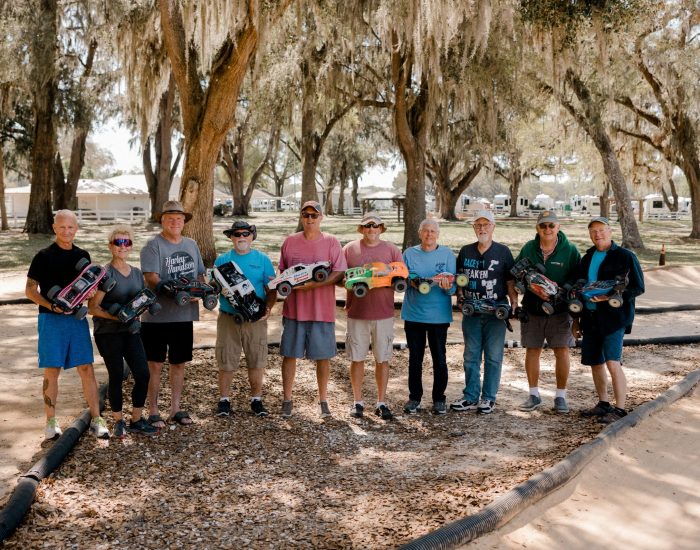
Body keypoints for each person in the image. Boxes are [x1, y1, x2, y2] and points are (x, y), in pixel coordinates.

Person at [25, 209, 109, 440]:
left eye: (70, 227)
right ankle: (51, 423)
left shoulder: (83, 255)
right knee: (52, 370)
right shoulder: (43, 256)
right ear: (54, 228)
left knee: (86, 368)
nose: (66, 231)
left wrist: (92, 293)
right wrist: (51, 306)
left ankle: (96, 419)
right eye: (62, 227)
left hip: (76, 320)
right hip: (50, 320)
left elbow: (89, 289)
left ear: (76, 229)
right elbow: (30, 290)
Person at [278, 201, 347, 418]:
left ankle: (323, 400)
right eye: (306, 215)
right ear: (301, 217)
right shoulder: (289, 242)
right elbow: (282, 272)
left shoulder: (331, 242)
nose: (310, 219)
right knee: (289, 355)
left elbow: (339, 272)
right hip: (294, 311)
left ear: (321, 217)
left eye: (314, 215)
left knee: (323, 356)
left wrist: (315, 285)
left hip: (322, 311)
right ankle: (287, 399)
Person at [140, 200, 205, 428]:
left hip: (183, 315)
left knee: (179, 363)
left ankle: (175, 409)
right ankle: (154, 410)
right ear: (162, 220)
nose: (175, 222)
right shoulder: (153, 246)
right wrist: (175, 291)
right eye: (170, 218)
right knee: (155, 364)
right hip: (157, 317)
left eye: (179, 218)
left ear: (184, 221)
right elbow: (151, 277)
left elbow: (199, 275)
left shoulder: (191, 244)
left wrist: (198, 291)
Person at [88, 226, 157, 438]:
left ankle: (136, 419)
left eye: (127, 243)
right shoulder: (104, 273)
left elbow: (140, 301)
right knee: (116, 375)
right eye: (118, 242)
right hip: (108, 333)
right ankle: (118, 421)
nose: (122, 247)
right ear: (111, 246)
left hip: (131, 332)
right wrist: (118, 316)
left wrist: (137, 312)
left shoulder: (136, 273)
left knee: (143, 374)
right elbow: (93, 307)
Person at [574, 217, 644, 424]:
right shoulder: (587, 257)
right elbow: (579, 289)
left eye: (602, 230)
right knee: (595, 362)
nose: (598, 234)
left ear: (610, 231)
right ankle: (603, 403)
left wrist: (611, 296)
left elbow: (638, 287)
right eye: (593, 230)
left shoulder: (625, 256)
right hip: (590, 316)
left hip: (614, 318)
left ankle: (620, 408)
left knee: (613, 363)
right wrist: (575, 320)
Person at [451, 210, 518, 415]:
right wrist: (460, 297)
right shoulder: (465, 251)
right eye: (478, 225)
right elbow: (460, 278)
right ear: (473, 228)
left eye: (486, 224)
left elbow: (509, 281)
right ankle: (471, 396)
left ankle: (488, 398)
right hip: (471, 310)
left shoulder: (503, 252)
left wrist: (514, 302)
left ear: (493, 227)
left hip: (495, 311)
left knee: (493, 356)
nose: (482, 228)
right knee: (471, 355)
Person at [515, 210, 581, 414]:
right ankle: (533, 394)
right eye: (543, 225)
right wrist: (525, 287)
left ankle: (560, 396)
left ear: (558, 227)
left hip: (559, 311)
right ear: (537, 228)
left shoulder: (569, 250)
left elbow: (579, 278)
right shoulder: (529, 248)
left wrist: (562, 292)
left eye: (551, 225)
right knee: (532, 350)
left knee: (561, 350)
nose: (547, 229)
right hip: (532, 309)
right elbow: (516, 273)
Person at [343, 212, 403, 420]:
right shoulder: (350, 249)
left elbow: (401, 275)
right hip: (357, 313)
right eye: (367, 226)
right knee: (357, 358)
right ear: (361, 229)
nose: (371, 229)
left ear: (381, 228)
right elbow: (341, 277)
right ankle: (357, 401)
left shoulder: (391, 249)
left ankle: (381, 402)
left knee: (382, 358)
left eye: (375, 226)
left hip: (383, 313)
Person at [214, 221, 277, 418]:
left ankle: (256, 400)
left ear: (252, 236)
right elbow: (214, 286)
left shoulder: (263, 259)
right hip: (228, 317)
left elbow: (272, 288)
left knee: (256, 359)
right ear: (231, 237)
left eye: (245, 234)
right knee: (226, 359)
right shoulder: (222, 260)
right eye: (237, 234)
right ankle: (224, 400)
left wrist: (268, 307)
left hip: (255, 318)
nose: (241, 237)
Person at [401, 219, 456, 415]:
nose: (429, 235)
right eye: (426, 231)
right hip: (414, 315)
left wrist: (449, 288)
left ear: (438, 234)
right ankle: (414, 398)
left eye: (433, 231)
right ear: (419, 233)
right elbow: (401, 281)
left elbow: (454, 287)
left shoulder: (448, 254)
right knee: (415, 359)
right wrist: (411, 283)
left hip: (439, 317)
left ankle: (439, 399)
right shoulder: (408, 254)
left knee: (439, 358)